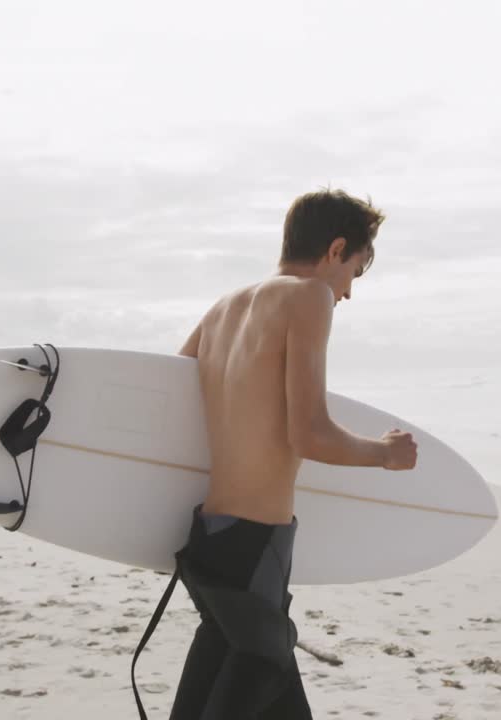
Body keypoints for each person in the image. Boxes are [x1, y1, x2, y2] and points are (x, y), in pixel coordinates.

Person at [131, 188, 418, 719]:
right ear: (335, 251)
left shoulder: (223, 308)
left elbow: (176, 409)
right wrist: (383, 453)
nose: (348, 294)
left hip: (212, 539)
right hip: (254, 545)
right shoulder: (308, 297)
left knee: (241, 676)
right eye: (356, 273)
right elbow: (308, 434)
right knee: (263, 668)